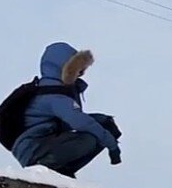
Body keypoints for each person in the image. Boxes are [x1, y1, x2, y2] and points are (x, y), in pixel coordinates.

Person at [11, 42, 122, 178]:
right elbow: (81, 122)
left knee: (103, 125)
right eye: (78, 70)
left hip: (43, 141)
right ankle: (44, 168)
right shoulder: (56, 96)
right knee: (89, 140)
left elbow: (70, 121)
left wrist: (104, 121)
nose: (81, 74)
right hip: (33, 149)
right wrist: (112, 145)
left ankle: (62, 169)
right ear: (66, 69)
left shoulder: (54, 89)